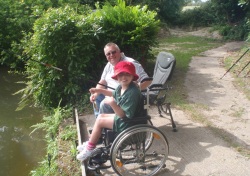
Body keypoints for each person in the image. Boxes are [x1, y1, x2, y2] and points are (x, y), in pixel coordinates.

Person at [77, 61, 142, 161]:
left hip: (129, 122)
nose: (124, 77)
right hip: (125, 119)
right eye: (121, 74)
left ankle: (90, 148)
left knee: (100, 121)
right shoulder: (122, 86)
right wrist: (99, 90)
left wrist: (112, 103)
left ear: (133, 76)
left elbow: (123, 115)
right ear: (117, 77)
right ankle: (91, 142)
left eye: (127, 74)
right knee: (100, 117)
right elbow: (113, 93)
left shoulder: (132, 92)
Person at [90, 42, 151, 117]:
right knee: (97, 96)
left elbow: (147, 81)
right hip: (113, 93)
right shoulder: (109, 64)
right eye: (108, 54)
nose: (111, 55)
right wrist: (96, 93)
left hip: (124, 97)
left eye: (113, 52)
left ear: (119, 52)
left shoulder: (130, 63)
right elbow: (102, 81)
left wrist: (134, 88)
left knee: (104, 103)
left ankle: (105, 125)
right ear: (106, 56)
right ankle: (100, 120)